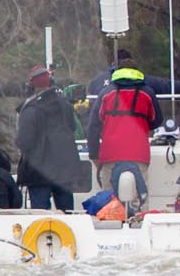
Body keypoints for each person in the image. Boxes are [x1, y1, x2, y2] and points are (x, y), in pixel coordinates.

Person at [86, 62, 158, 209]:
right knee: (140, 198)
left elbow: (93, 126)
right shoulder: (147, 93)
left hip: (110, 154)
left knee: (109, 201)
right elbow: (156, 120)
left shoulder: (106, 93)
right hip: (139, 154)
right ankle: (140, 222)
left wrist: (94, 154)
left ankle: (111, 226)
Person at [15, 65, 84, 211]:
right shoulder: (65, 105)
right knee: (67, 213)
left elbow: (24, 141)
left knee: (40, 216)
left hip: (38, 171)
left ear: (31, 84)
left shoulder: (30, 108)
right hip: (64, 169)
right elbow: (72, 128)